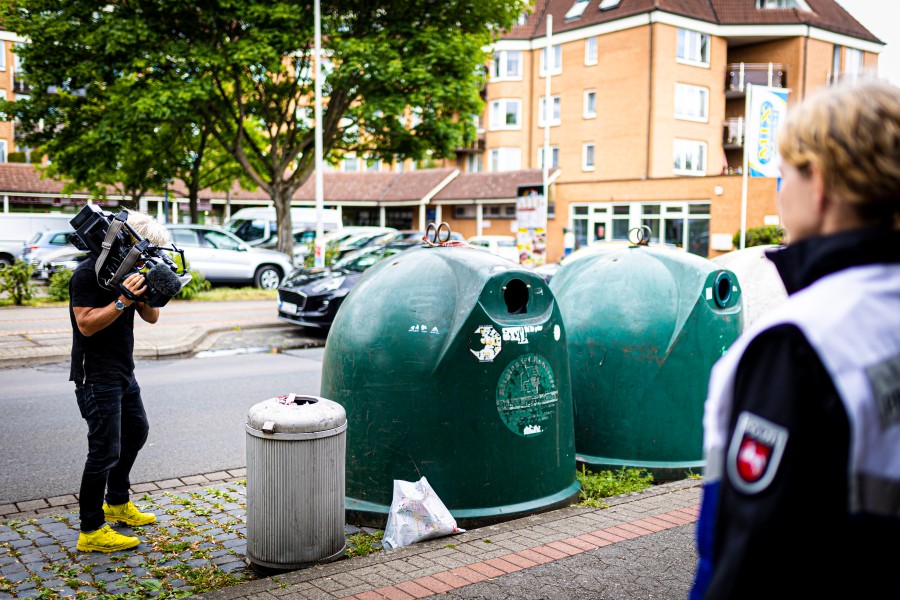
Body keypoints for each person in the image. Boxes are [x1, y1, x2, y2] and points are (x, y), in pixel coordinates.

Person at [690, 80, 900, 599]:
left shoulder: (800, 342)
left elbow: (755, 556)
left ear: (820, 182)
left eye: (783, 176)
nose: (780, 194)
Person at [70, 209, 170, 553]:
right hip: (95, 376)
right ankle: (91, 530)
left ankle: (116, 502)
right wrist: (122, 300)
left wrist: (146, 292)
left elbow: (153, 318)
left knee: (137, 432)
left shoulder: (126, 273)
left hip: (123, 372)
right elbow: (86, 323)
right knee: (103, 451)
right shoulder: (86, 274)